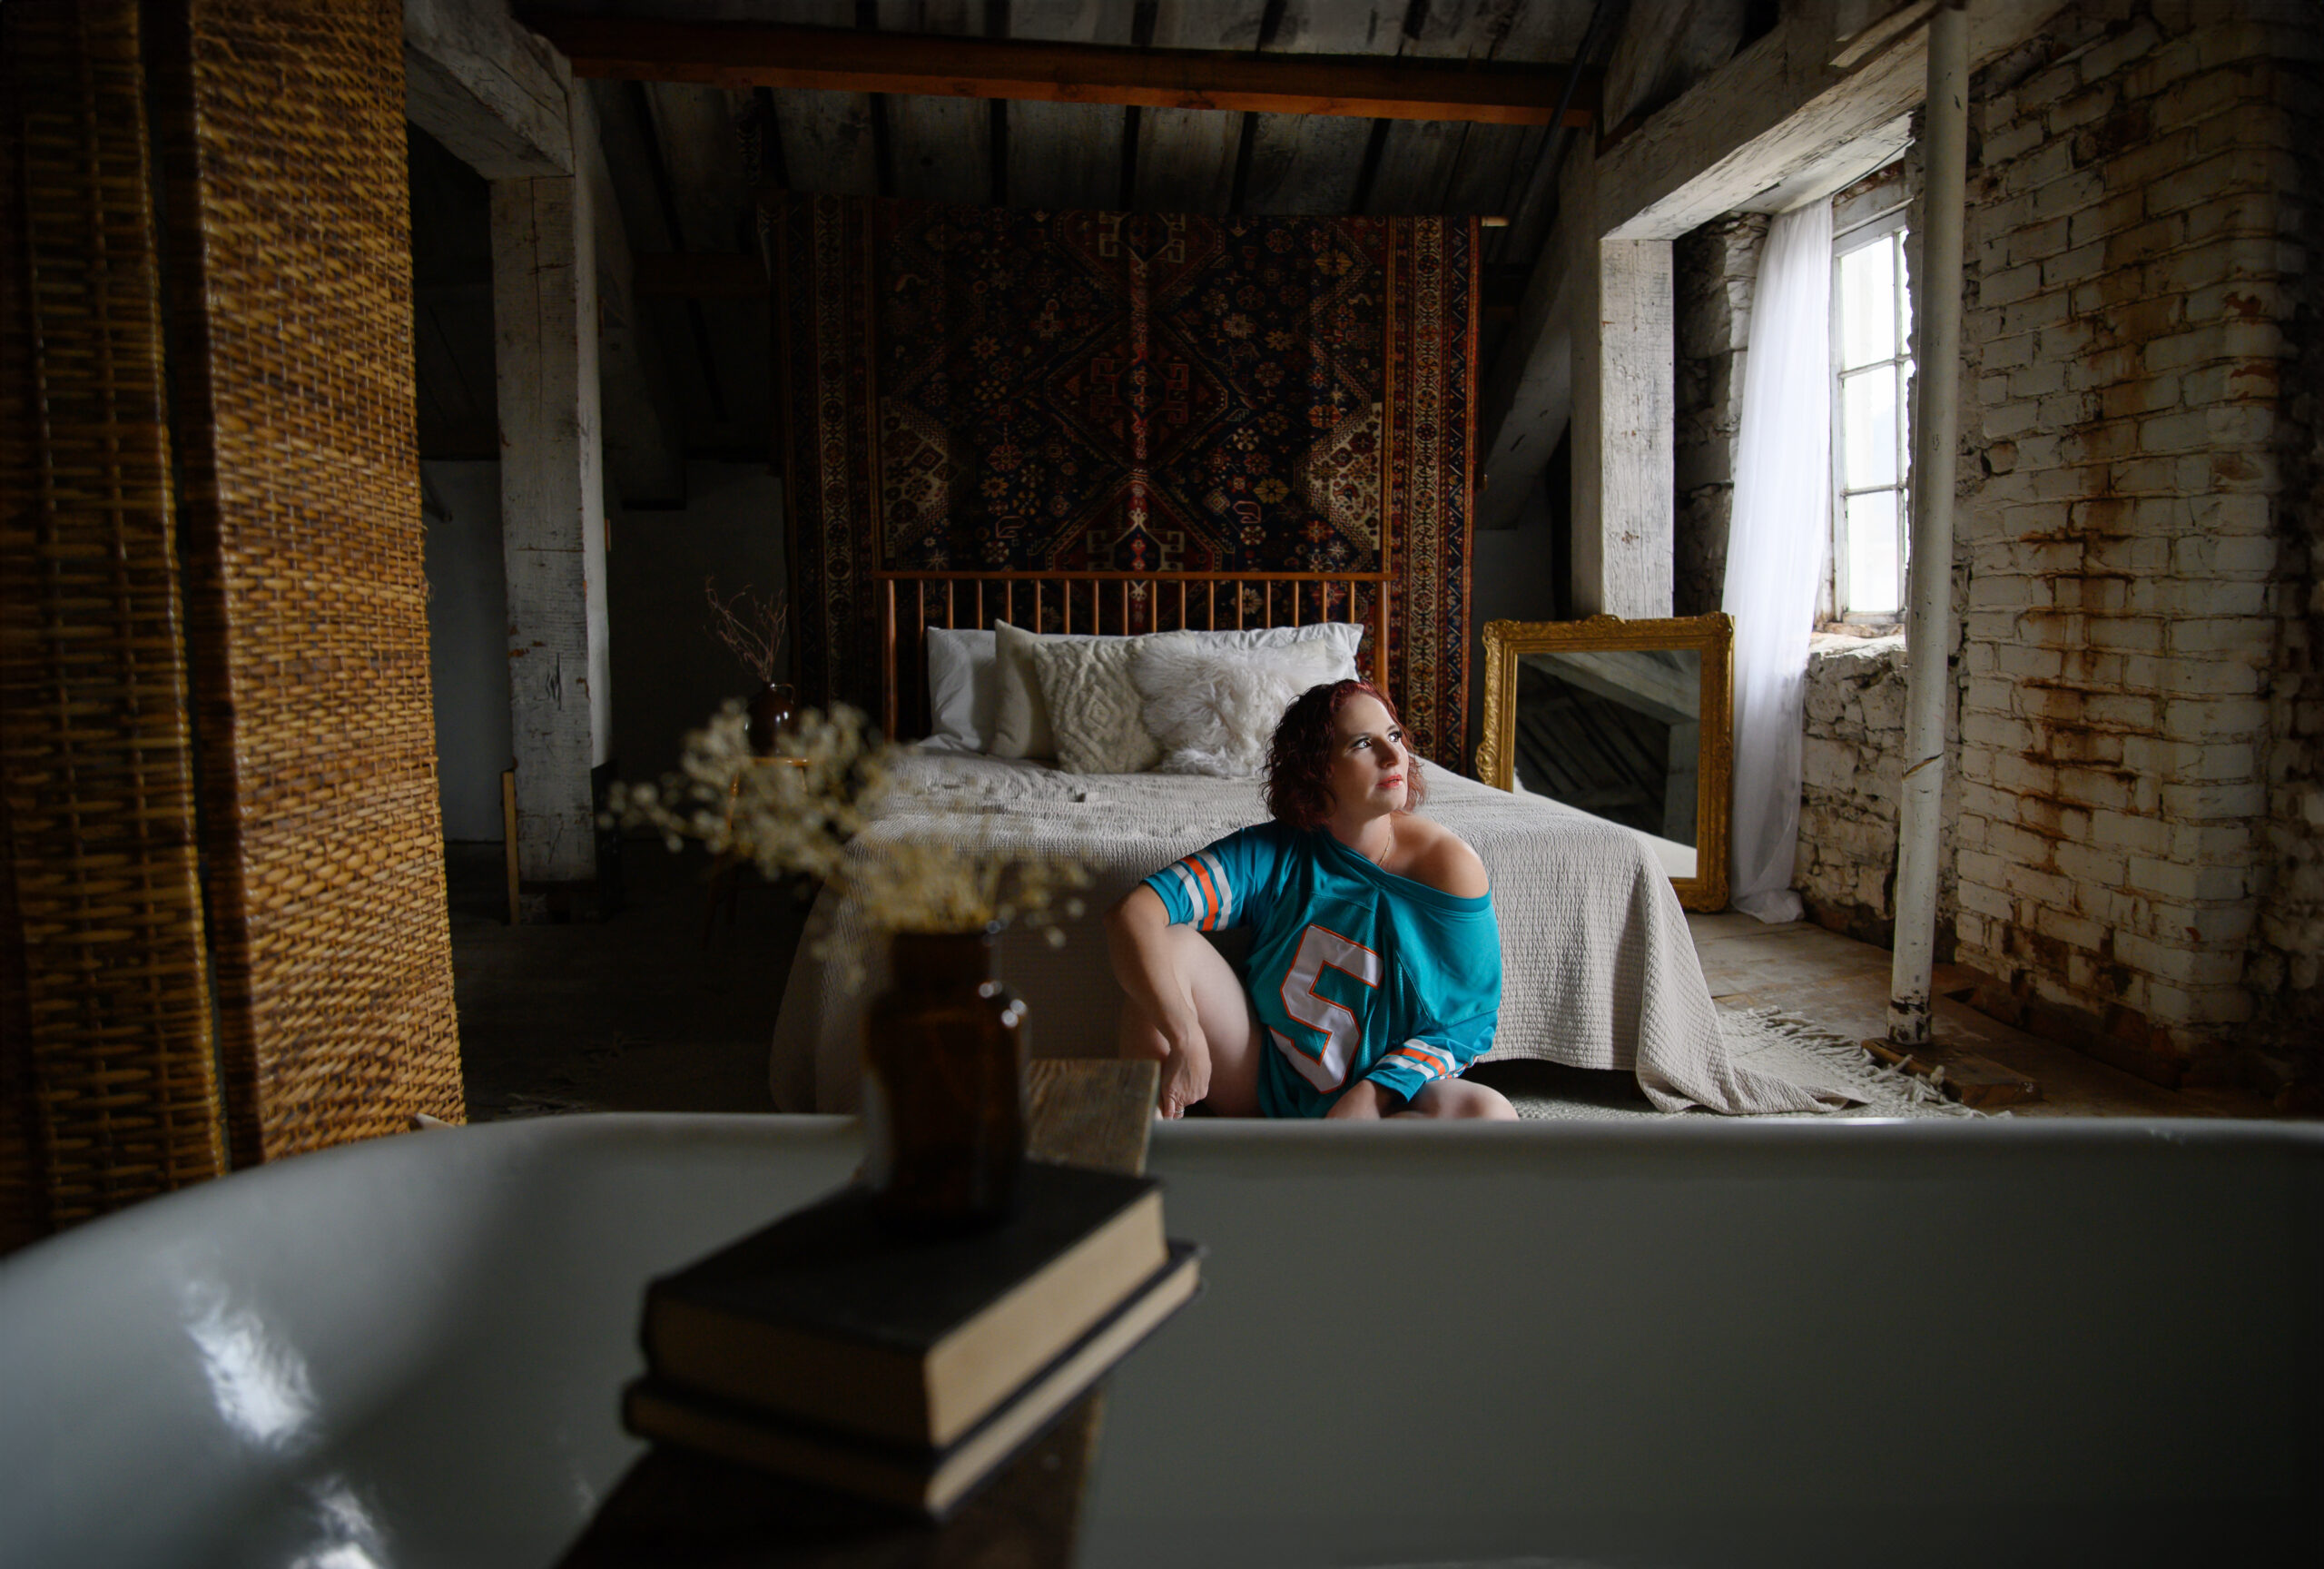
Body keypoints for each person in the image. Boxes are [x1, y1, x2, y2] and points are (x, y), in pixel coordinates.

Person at [1105, 679, 1519, 1121]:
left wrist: (1371, 1096)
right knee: (1167, 947)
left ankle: (1323, 1170)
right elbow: (1134, 914)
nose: (1392, 754)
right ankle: (1150, 1148)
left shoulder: (1448, 865)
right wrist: (1185, 1034)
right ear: (1317, 768)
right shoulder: (1272, 853)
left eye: (1394, 735)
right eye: (1363, 743)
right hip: (1265, 1080)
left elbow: (1467, 1023)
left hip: (1383, 1098)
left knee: (1489, 1113)